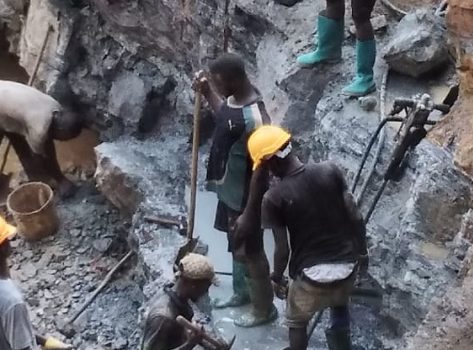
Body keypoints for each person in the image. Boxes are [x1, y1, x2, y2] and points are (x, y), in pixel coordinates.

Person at [248, 125, 368, 350]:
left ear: (271, 162)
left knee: (296, 322)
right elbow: (355, 216)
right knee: (339, 304)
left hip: (310, 278)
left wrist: (276, 277)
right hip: (346, 268)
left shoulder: (273, 198)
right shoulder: (330, 170)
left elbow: (282, 248)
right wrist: (362, 254)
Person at [193, 54, 276, 327]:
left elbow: (261, 171)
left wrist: (251, 213)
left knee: (251, 252)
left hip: (245, 198)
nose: (216, 87)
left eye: (217, 83)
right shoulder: (233, 100)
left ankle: (264, 309)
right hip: (229, 191)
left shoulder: (256, 119)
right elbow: (226, 119)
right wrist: (207, 94)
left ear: (234, 79)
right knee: (236, 246)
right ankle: (242, 293)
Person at [0, 212, 70, 350]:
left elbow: (10, 328)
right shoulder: (12, 301)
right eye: (7, 239)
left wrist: (45, 342)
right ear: (3, 248)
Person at [0, 80, 83, 199]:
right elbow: (44, 154)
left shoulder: (55, 107)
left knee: (25, 148)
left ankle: (38, 182)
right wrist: (61, 180)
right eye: (65, 138)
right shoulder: (39, 128)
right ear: (60, 129)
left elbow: (45, 147)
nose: (63, 141)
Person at [140, 253, 215, 350]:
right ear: (193, 285)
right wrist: (190, 344)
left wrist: (204, 342)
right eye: (205, 288)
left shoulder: (177, 297)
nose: (205, 292)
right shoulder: (164, 318)